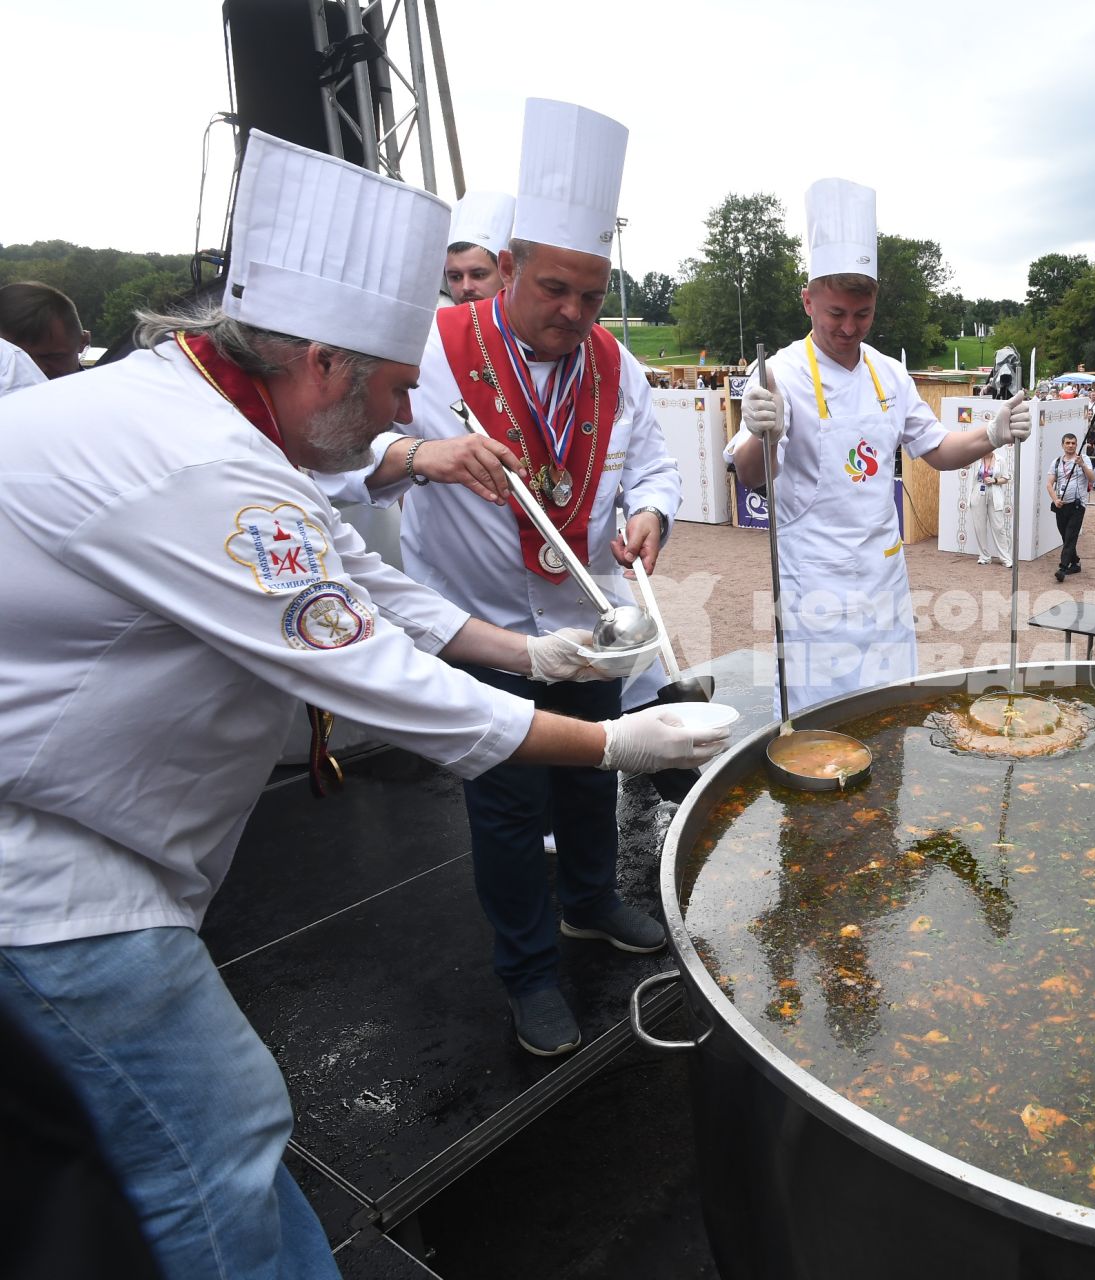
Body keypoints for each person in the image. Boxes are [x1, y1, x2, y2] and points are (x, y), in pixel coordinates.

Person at [0, 133, 731, 1280]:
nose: (404, 408)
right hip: (40, 861)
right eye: (395, 387)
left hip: (83, 824)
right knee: (215, 1139)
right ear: (326, 362)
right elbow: (376, 674)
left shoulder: (223, 422)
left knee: (174, 1151)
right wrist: (613, 739)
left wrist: (535, 651)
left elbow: (372, 584)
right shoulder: (201, 460)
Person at [316, 101, 700, 1055]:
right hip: (477, 623)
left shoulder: (618, 365)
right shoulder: (433, 346)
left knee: (594, 778)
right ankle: (528, 970)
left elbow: (651, 464)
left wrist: (650, 511)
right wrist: (421, 456)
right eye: (555, 288)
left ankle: (592, 902)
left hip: (592, 616)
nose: (573, 313)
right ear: (513, 266)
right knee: (505, 801)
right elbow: (338, 464)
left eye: (591, 294)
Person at [732, 175, 1030, 688]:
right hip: (817, 585)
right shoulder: (780, 372)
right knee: (823, 728)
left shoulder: (888, 372)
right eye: (836, 314)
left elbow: (935, 448)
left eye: (862, 314)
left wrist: (994, 432)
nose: (849, 328)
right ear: (808, 301)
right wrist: (764, 433)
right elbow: (749, 472)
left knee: (889, 716)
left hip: (883, 582)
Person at [0, 280, 88, 384]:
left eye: (53, 357)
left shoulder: (106, 396)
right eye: (16, 360)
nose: (37, 369)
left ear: (83, 342)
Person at [443, 190, 515, 303]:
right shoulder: (436, 320)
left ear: (506, 272)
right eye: (455, 277)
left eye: (478, 275)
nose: (466, 287)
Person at [1046, 431, 1092, 582]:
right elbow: (1049, 484)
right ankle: (1075, 562)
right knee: (1065, 536)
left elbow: (1092, 478)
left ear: (1077, 445)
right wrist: (1055, 499)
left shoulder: (1083, 459)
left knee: (1071, 535)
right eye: (1068, 443)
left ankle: (1063, 568)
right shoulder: (1057, 462)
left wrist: (1082, 465)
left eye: (1073, 443)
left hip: (1078, 505)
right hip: (1061, 505)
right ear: (1062, 445)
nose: (1071, 446)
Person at [970, 442, 1015, 565]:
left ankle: (1006, 559)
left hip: (994, 491)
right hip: (978, 491)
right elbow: (964, 464)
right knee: (979, 527)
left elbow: (1005, 478)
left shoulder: (1001, 460)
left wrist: (994, 480)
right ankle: (984, 557)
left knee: (999, 527)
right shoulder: (976, 459)